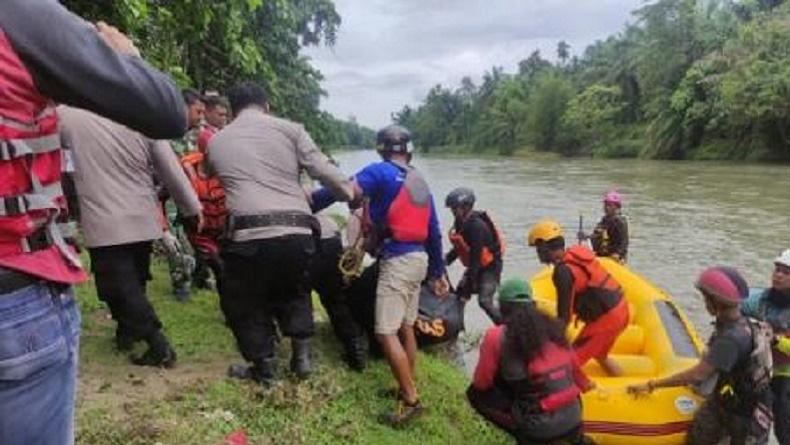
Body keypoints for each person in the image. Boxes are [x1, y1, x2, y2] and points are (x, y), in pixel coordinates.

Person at [0, 2, 186, 444]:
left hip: (105, 222)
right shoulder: (20, 17)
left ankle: (143, 336)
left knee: (123, 285)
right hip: (33, 274)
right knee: (128, 285)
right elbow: (167, 134)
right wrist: (127, 56)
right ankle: (143, 337)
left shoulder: (69, 123)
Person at [208, 82, 353, 386]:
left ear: (232, 109)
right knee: (295, 288)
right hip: (297, 231)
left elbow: (209, 173)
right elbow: (323, 169)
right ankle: (301, 359)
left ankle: (264, 368)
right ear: (267, 106)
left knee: (245, 299)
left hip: (247, 235)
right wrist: (349, 192)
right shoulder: (291, 130)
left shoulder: (218, 140)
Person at [311, 124, 449, 426]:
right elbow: (435, 232)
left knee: (385, 332)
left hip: (398, 261)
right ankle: (406, 384)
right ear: (408, 151)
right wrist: (438, 272)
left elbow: (346, 189)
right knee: (406, 327)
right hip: (419, 260)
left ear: (382, 150)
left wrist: (311, 202)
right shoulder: (420, 181)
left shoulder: (380, 172)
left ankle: (411, 401)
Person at [60, 106, 201, 367]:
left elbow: (53, 165)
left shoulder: (66, 117)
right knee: (135, 277)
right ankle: (126, 333)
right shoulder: (139, 113)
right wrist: (192, 207)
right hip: (143, 215)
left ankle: (157, 344)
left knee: (118, 286)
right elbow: (170, 168)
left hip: (104, 218)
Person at [629, 267, 774, 445]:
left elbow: (698, 375)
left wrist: (652, 384)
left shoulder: (730, 340)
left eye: (705, 298)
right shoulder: (746, 323)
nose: (704, 303)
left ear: (715, 301)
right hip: (734, 398)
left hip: (742, 412)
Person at [467, 278, 594, 445]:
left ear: (502, 308)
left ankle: (522, 433)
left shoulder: (496, 336)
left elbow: (481, 383)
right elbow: (579, 377)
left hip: (539, 427)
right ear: (533, 305)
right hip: (575, 418)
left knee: (474, 394)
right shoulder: (555, 330)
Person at [527, 220, 628, 376]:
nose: (538, 254)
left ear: (544, 248)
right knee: (600, 355)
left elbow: (564, 317)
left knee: (568, 364)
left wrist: (550, 345)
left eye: (538, 249)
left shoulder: (563, 272)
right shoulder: (574, 258)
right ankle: (623, 382)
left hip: (608, 319)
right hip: (621, 309)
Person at [742, 249, 790, 444]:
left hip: (784, 375)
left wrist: (776, 340)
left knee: (784, 427)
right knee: (755, 426)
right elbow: (735, 309)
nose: (778, 275)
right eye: (777, 270)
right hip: (758, 371)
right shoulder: (758, 299)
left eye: (786, 272)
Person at [310, 213, 366, 370]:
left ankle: (303, 357)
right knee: (335, 299)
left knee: (299, 296)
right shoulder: (319, 210)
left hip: (304, 238)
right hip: (330, 237)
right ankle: (355, 350)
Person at [445, 187, 505, 324]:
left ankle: (506, 327)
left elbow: (475, 258)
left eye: (455, 208)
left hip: (490, 268)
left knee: (484, 301)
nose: (453, 211)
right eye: (452, 209)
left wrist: (469, 283)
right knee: (459, 297)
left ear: (466, 207)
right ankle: (456, 328)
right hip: (477, 265)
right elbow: (460, 247)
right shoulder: (461, 223)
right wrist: (445, 260)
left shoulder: (477, 227)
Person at [181, 113, 228, 291]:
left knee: (230, 268)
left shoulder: (229, 170)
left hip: (225, 230)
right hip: (199, 231)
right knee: (219, 266)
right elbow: (165, 195)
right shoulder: (187, 170)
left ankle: (201, 276)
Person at [580, 190, 629, 262]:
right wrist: (586, 236)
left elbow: (624, 241)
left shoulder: (620, 221)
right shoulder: (605, 220)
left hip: (614, 257)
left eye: (609, 205)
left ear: (617, 206)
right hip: (603, 255)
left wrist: (618, 253)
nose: (606, 207)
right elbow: (597, 235)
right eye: (605, 204)